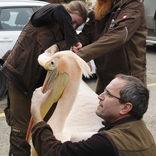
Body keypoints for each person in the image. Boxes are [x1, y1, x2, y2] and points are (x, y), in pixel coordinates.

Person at [1, 1, 88, 155]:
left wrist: (59, 46)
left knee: (42, 127)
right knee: (21, 132)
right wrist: (72, 39)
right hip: (20, 79)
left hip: (41, 86)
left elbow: (66, 49)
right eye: (72, 21)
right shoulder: (43, 16)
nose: (72, 27)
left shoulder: (63, 35)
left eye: (77, 25)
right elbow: (58, 9)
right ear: (67, 13)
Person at [30, 74, 156, 156]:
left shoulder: (106, 143)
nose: (100, 96)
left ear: (125, 108)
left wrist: (36, 111)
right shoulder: (143, 132)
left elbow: (54, 153)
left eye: (108, 94)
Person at [50, 0, 147, 95]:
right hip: (103, 76)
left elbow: (119, 35)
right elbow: (85, 36)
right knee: (98, 109)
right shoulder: (100, 6)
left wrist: (78, 56)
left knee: (124, 109)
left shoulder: (132, 4)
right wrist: (59, 47)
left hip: (127, 77)